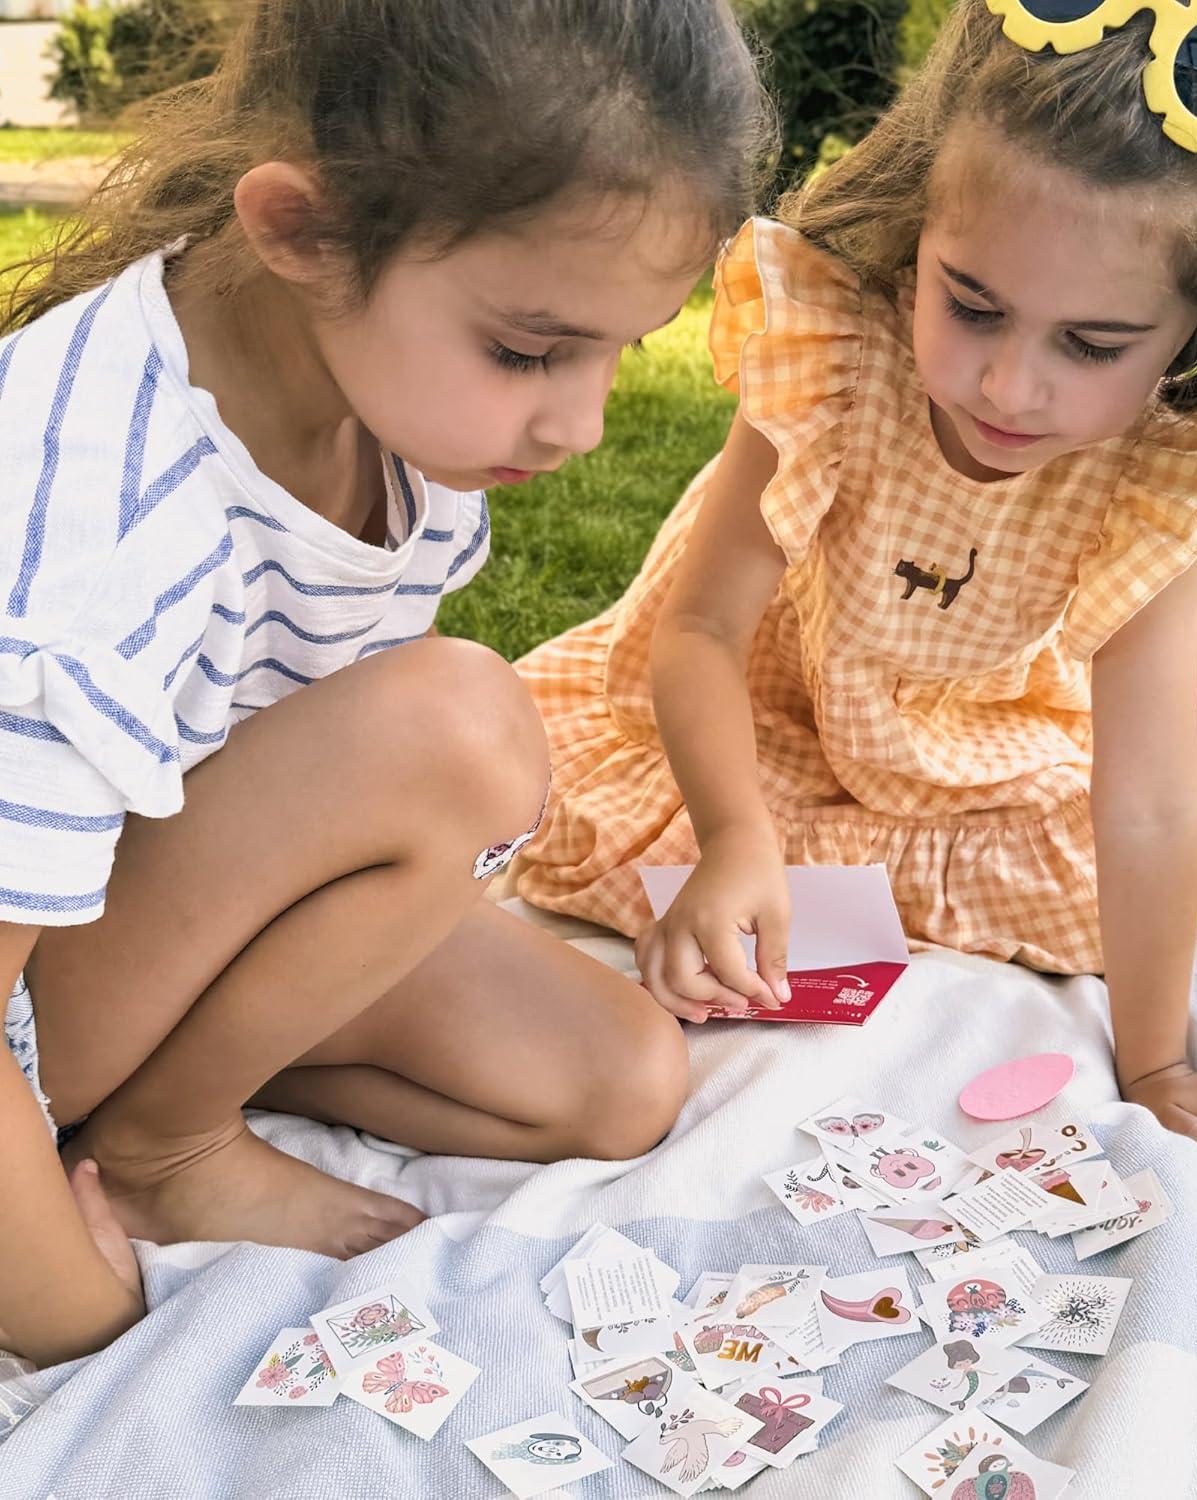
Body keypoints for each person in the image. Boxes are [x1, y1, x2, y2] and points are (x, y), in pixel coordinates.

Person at [0, 0, 770, 1368]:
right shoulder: (97, 520)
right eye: (530, 351)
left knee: (620, 1080)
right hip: (29, 999)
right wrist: (85, 1324)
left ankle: (157, 1117)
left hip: (163, 914)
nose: (580, 425)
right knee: (458, 730)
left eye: (618, 349)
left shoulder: (373, 398)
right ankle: (165, 1141)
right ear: (301, 229)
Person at [515, 0, 1197, 1168]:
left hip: (961, 740)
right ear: (925, 223)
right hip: (762, 714)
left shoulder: (1166, 463)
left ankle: (835, 864)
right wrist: (733, 838)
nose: (1009, 387)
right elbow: (698, 636)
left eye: (1092, 346)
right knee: (613, 836)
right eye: (970, 305)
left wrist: (1158, 1066)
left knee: (1099, 893)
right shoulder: (833, 347)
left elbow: (1146, 794)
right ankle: (778, 850)